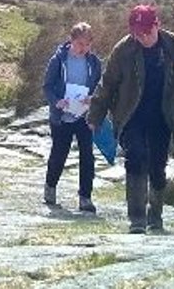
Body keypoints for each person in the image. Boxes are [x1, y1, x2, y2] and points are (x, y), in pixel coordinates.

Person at [88, 4, 174, 234]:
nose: (143, 37)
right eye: (138, 32)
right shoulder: (124, 50)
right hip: (131, 115)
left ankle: (155, 216)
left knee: (158, 166)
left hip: (163, 116)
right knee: (135, 157)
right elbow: (107, 84)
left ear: (158, 25)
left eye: (148, 31)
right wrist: (95, 115)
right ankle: (136, 219)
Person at [43, 22, 102, 213]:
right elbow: (48, 86)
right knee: (59, 154)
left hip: (84, 116)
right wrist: (57, 102)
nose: (83, 48)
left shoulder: (94, 62)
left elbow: (99, 87)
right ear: (71, 41)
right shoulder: (58, 60)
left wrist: (93, 98)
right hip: (62, 117)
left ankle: (85, 197)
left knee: (87, 156)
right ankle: (50, 186)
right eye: (79, 44)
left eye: (87, 44)